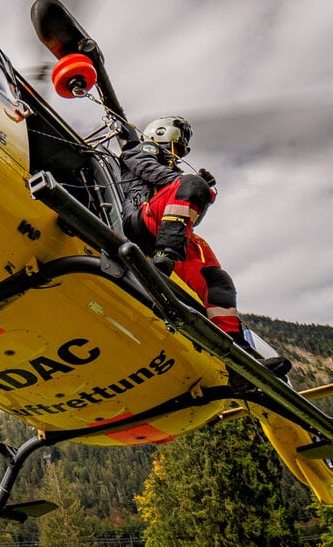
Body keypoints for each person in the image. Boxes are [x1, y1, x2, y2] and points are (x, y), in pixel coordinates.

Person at [119, 116, 289, 378]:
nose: (182, 149)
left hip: (166, 231)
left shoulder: (173, 174)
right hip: (140, 221)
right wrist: (195, 183)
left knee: (216, 279)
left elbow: (188, 207)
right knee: (192, 186)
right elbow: (151, 173)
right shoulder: (141, 151)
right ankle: (166, 256)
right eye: (180, 142)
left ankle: (237, 355)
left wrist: (202, 189)